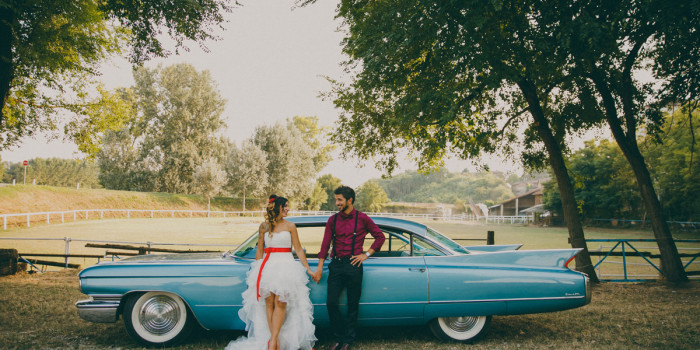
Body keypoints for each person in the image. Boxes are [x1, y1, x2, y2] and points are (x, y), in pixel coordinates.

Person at [226, 195, 317, 350]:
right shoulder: (264, 227)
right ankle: (273, 341)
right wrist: (257, 269)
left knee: (280, 302)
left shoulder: (290, 226)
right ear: (277, 208)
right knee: (269, 302)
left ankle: (273, 341)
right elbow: (260, 250)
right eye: (285, 206)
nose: (288, 209)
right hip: (268, 265)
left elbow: (299, 249)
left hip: (286, 266)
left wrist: (308, 268)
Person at [312, 186, 385, 350]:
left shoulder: (363, 218)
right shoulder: (333, 220)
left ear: (349, 200)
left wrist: (366, 254)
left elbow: (380, 237)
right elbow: (325, 245)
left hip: (354, 265)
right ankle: (337, 337)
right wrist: (319, 268)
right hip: (336, 265)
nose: (336, 203)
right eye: (336, 199)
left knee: (353, 305)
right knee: (331, 303)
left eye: (339, 200)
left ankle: (348, 341)